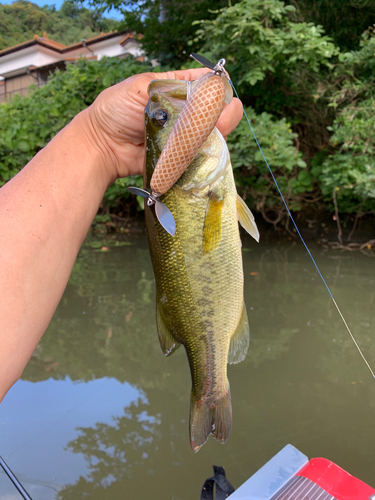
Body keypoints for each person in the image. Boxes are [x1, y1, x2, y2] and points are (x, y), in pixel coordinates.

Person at [0, 68, 243, 403]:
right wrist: (99, 137)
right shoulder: (203, 189)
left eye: (159, 118)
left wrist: (99, 138)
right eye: (161, 118)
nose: (161, 111)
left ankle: (210, 389)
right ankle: (211, 389)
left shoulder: (196, 185)